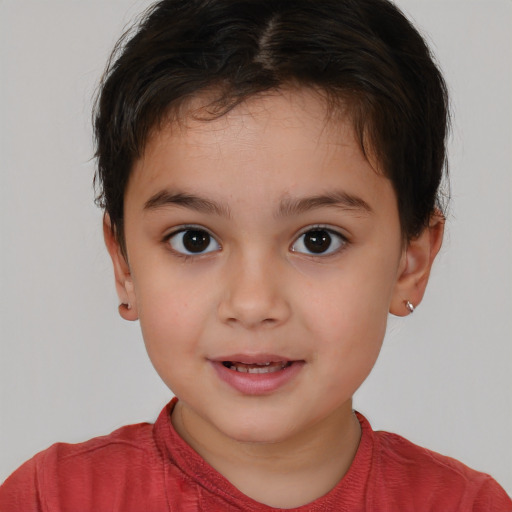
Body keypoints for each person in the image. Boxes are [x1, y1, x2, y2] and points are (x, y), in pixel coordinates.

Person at [1, 0, 510, 510]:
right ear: (124, 263)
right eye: (194, 239)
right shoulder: (51, 498)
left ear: (411, 263)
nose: (251, 303)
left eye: (318, 239)